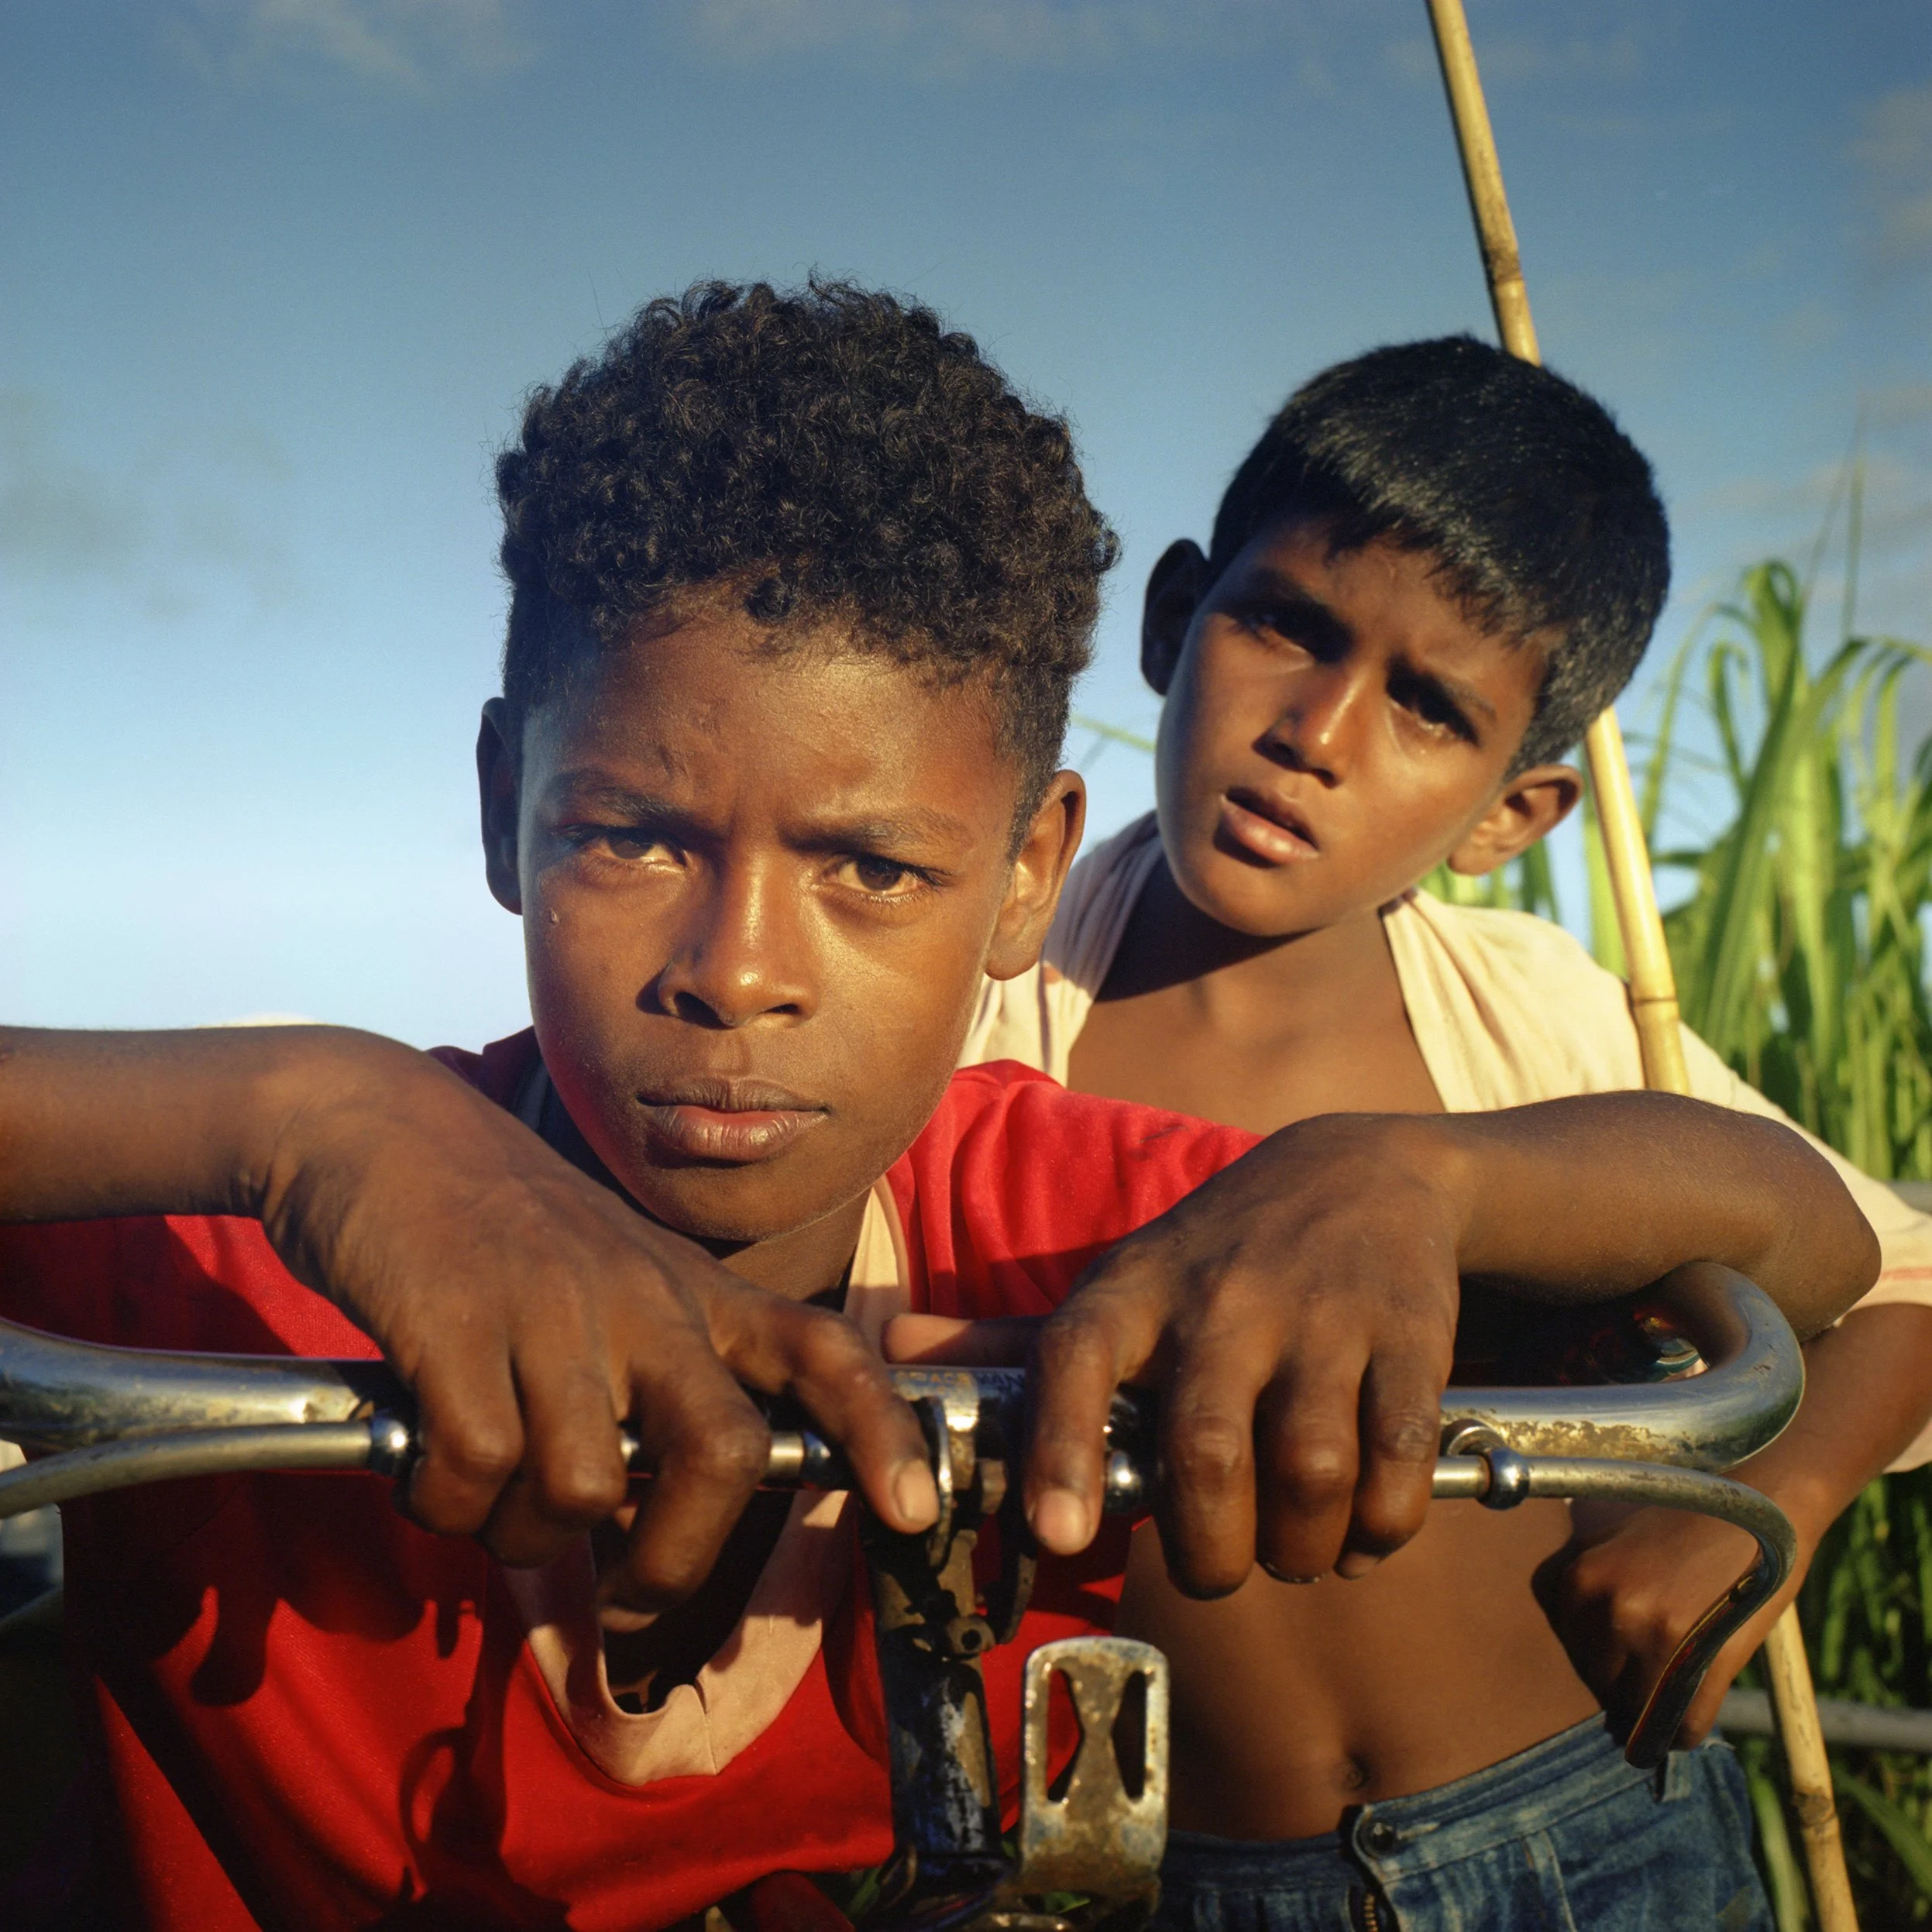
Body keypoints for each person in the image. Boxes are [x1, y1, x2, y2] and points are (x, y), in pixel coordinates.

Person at [0, 290, 1882, 1932]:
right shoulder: (243, 1249)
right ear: (502, 802)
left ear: (1016, 877)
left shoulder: (1064, 1215)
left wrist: (1401, 1173)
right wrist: (305, 1103)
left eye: (870, 869)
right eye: (628, 833)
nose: (735, 972)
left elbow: (1801, 1230)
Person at [952, 335, 1932, 1931]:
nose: (1317, 731)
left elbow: (1900, 1276)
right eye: (1284, 625)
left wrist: (1773, 1509)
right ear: (1169, 618)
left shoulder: (1533, 1022)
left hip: (1595, 1825)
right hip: (1167, 1876)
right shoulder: (985, 1005)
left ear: (1508, 811)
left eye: (1425, 704)